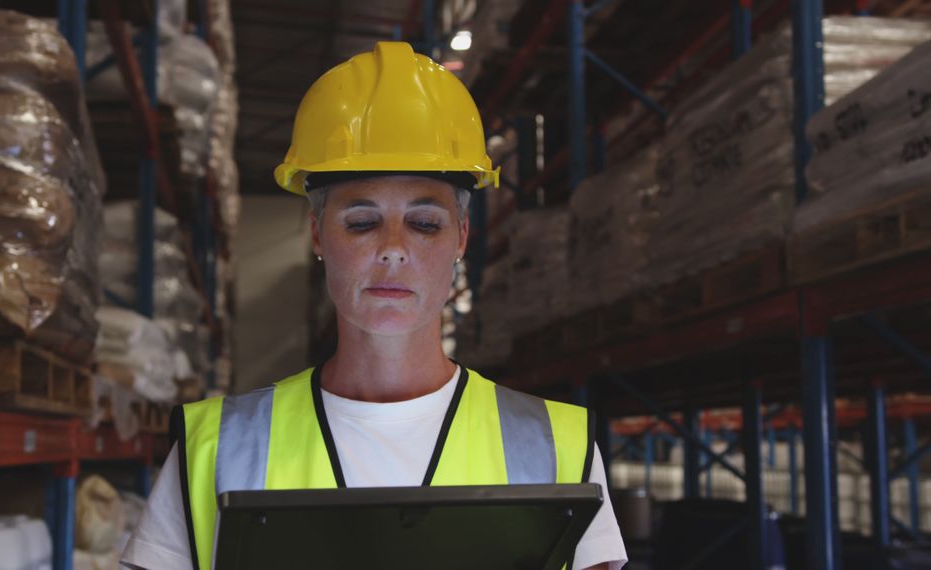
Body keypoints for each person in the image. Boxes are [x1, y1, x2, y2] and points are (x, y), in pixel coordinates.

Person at [121, 41, 627, 570]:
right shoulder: (215, 448)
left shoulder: (556, 447)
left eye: (424, 223)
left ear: (461, 238)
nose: (393, 247)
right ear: (317, 234)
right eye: (361, 221)